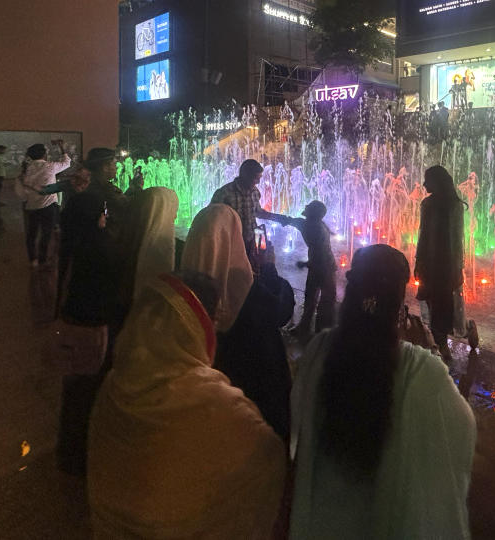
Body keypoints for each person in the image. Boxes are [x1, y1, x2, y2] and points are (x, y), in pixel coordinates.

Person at [289, 244, 476, 539]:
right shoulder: (421, 372)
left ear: (348, 295)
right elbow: (460, 430)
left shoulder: (318, 350)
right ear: (399, 306)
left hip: (320, 523)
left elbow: (299, 416)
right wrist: (432, 351)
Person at [88, 271, 286, 539]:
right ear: (196, 327)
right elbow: (269, 457)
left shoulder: (114, 384)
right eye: (212, 321)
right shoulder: (215, 405)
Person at [181, 204, 294, 439]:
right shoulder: (246, 290)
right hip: (249, 401)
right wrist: (269, 267)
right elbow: (280, 310)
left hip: (205, 402)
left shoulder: (181, 288)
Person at [54, 148, 130, 475]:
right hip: (89, 310)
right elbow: (104, 256)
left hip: (80, 307)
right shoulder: (95, 239)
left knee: (81, 378)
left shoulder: (79, 231)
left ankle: (74, 445)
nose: (116, 166)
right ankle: (76, 452)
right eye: (112, 163)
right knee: (86, 379)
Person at [415, 165, 465, 362]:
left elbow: (425, 236)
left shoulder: (446, 206)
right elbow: (454, 240)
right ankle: (441, 341)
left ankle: (441, 343)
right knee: (438, 302)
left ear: (438, 182)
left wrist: (420, 261)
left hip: (439, 263)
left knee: (440, 303)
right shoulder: (449, 205)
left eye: (428, 180)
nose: (425, 184)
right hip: (440, 263)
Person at [210, 159, 290, 270]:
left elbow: (258, 212)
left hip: (251, 240)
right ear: (245, 175)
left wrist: (279, 218)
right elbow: (212, 220)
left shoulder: (255, 192)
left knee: (251, 271)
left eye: (259, 178)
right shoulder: (224, 193)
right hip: (232, 243)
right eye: (256, 178)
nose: (258, 182)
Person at [286, 200, 337, 339]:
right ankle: (310, 329)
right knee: (314, 298)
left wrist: (305, 264)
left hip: (324, 267)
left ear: (313, 214)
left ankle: (321, 332)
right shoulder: (309, 224)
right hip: (321, 266)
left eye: (309, 206)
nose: (305, 206)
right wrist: (264, 214)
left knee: (323, 300)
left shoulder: (314, 228)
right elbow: (286, 219)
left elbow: (320, 254)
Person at [21, 141, 70, 267]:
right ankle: (42, 259)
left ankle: (33, 260)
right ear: (44, 154)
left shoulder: (28, 168)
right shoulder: (50, 166)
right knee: (46, 233)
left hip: (31, 206)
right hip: (48, 206)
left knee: (31, 233)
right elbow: (66, 163)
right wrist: (62, 148)